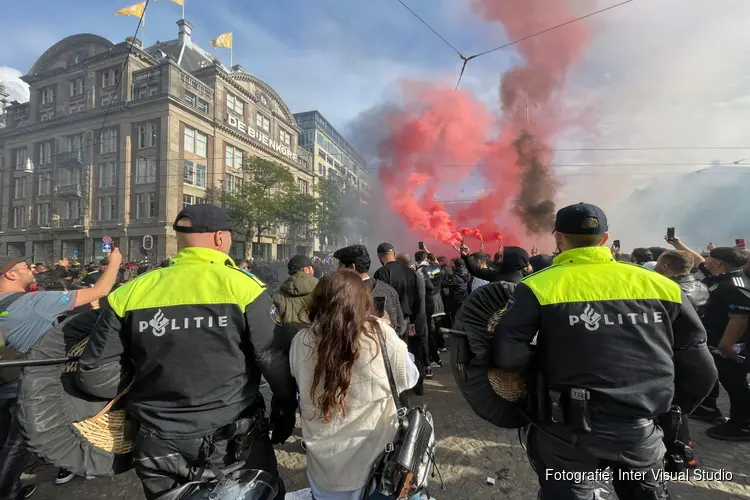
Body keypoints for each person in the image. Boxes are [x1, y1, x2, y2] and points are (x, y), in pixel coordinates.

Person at [493, 202, 716, 500]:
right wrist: (670, 411)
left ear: (558, 238)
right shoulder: (662, 286)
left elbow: (508, 358)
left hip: (566, 432)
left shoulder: (537, 287)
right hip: (640, 429)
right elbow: (703, 371)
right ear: (605, 239)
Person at [75, 205, 296, 500]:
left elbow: (93, 377)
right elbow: (272, 359)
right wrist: (284, 409)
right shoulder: (243, 287)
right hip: (232, 444)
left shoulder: (130, 292)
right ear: (220, 238)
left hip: (156, 443)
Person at [0, 250, 121, 500]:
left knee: (6, 440)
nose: (31, 269)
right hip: (32, 380)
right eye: (25, 267)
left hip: (8, 376)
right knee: (21, 442)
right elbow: (99, 290)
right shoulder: (33, 303)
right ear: (10, 274)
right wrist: (115, 262)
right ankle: (7, 492)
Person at [290, 270, 420, 500]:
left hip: (322, 468)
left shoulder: (301, 341)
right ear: (364, 301)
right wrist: (387, 328)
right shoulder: (381, 336)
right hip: (373, 465)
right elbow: (410, 378)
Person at [699, 246, 750, 441]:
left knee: (735, 384)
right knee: (730, 382)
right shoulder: (722, 278)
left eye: (709, 257)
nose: (705, 260)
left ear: (718, 263)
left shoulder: (734, 285)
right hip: (716, 341)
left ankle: (743, 425)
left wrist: (726, 345)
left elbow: (740, 317)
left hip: (730, 346)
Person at [333, 244, 406, 336]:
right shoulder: (388, 290)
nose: (338, 270)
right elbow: (400, 326)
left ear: (352, 267)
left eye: (340, 265)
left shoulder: (342, 292)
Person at [272, 254, 319, 333]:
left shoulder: (277, 295)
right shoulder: (321, 288)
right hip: (314, 339)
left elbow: (274, 320)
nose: (313, 271)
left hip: (289, 341)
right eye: (312, 268)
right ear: (306, 269)